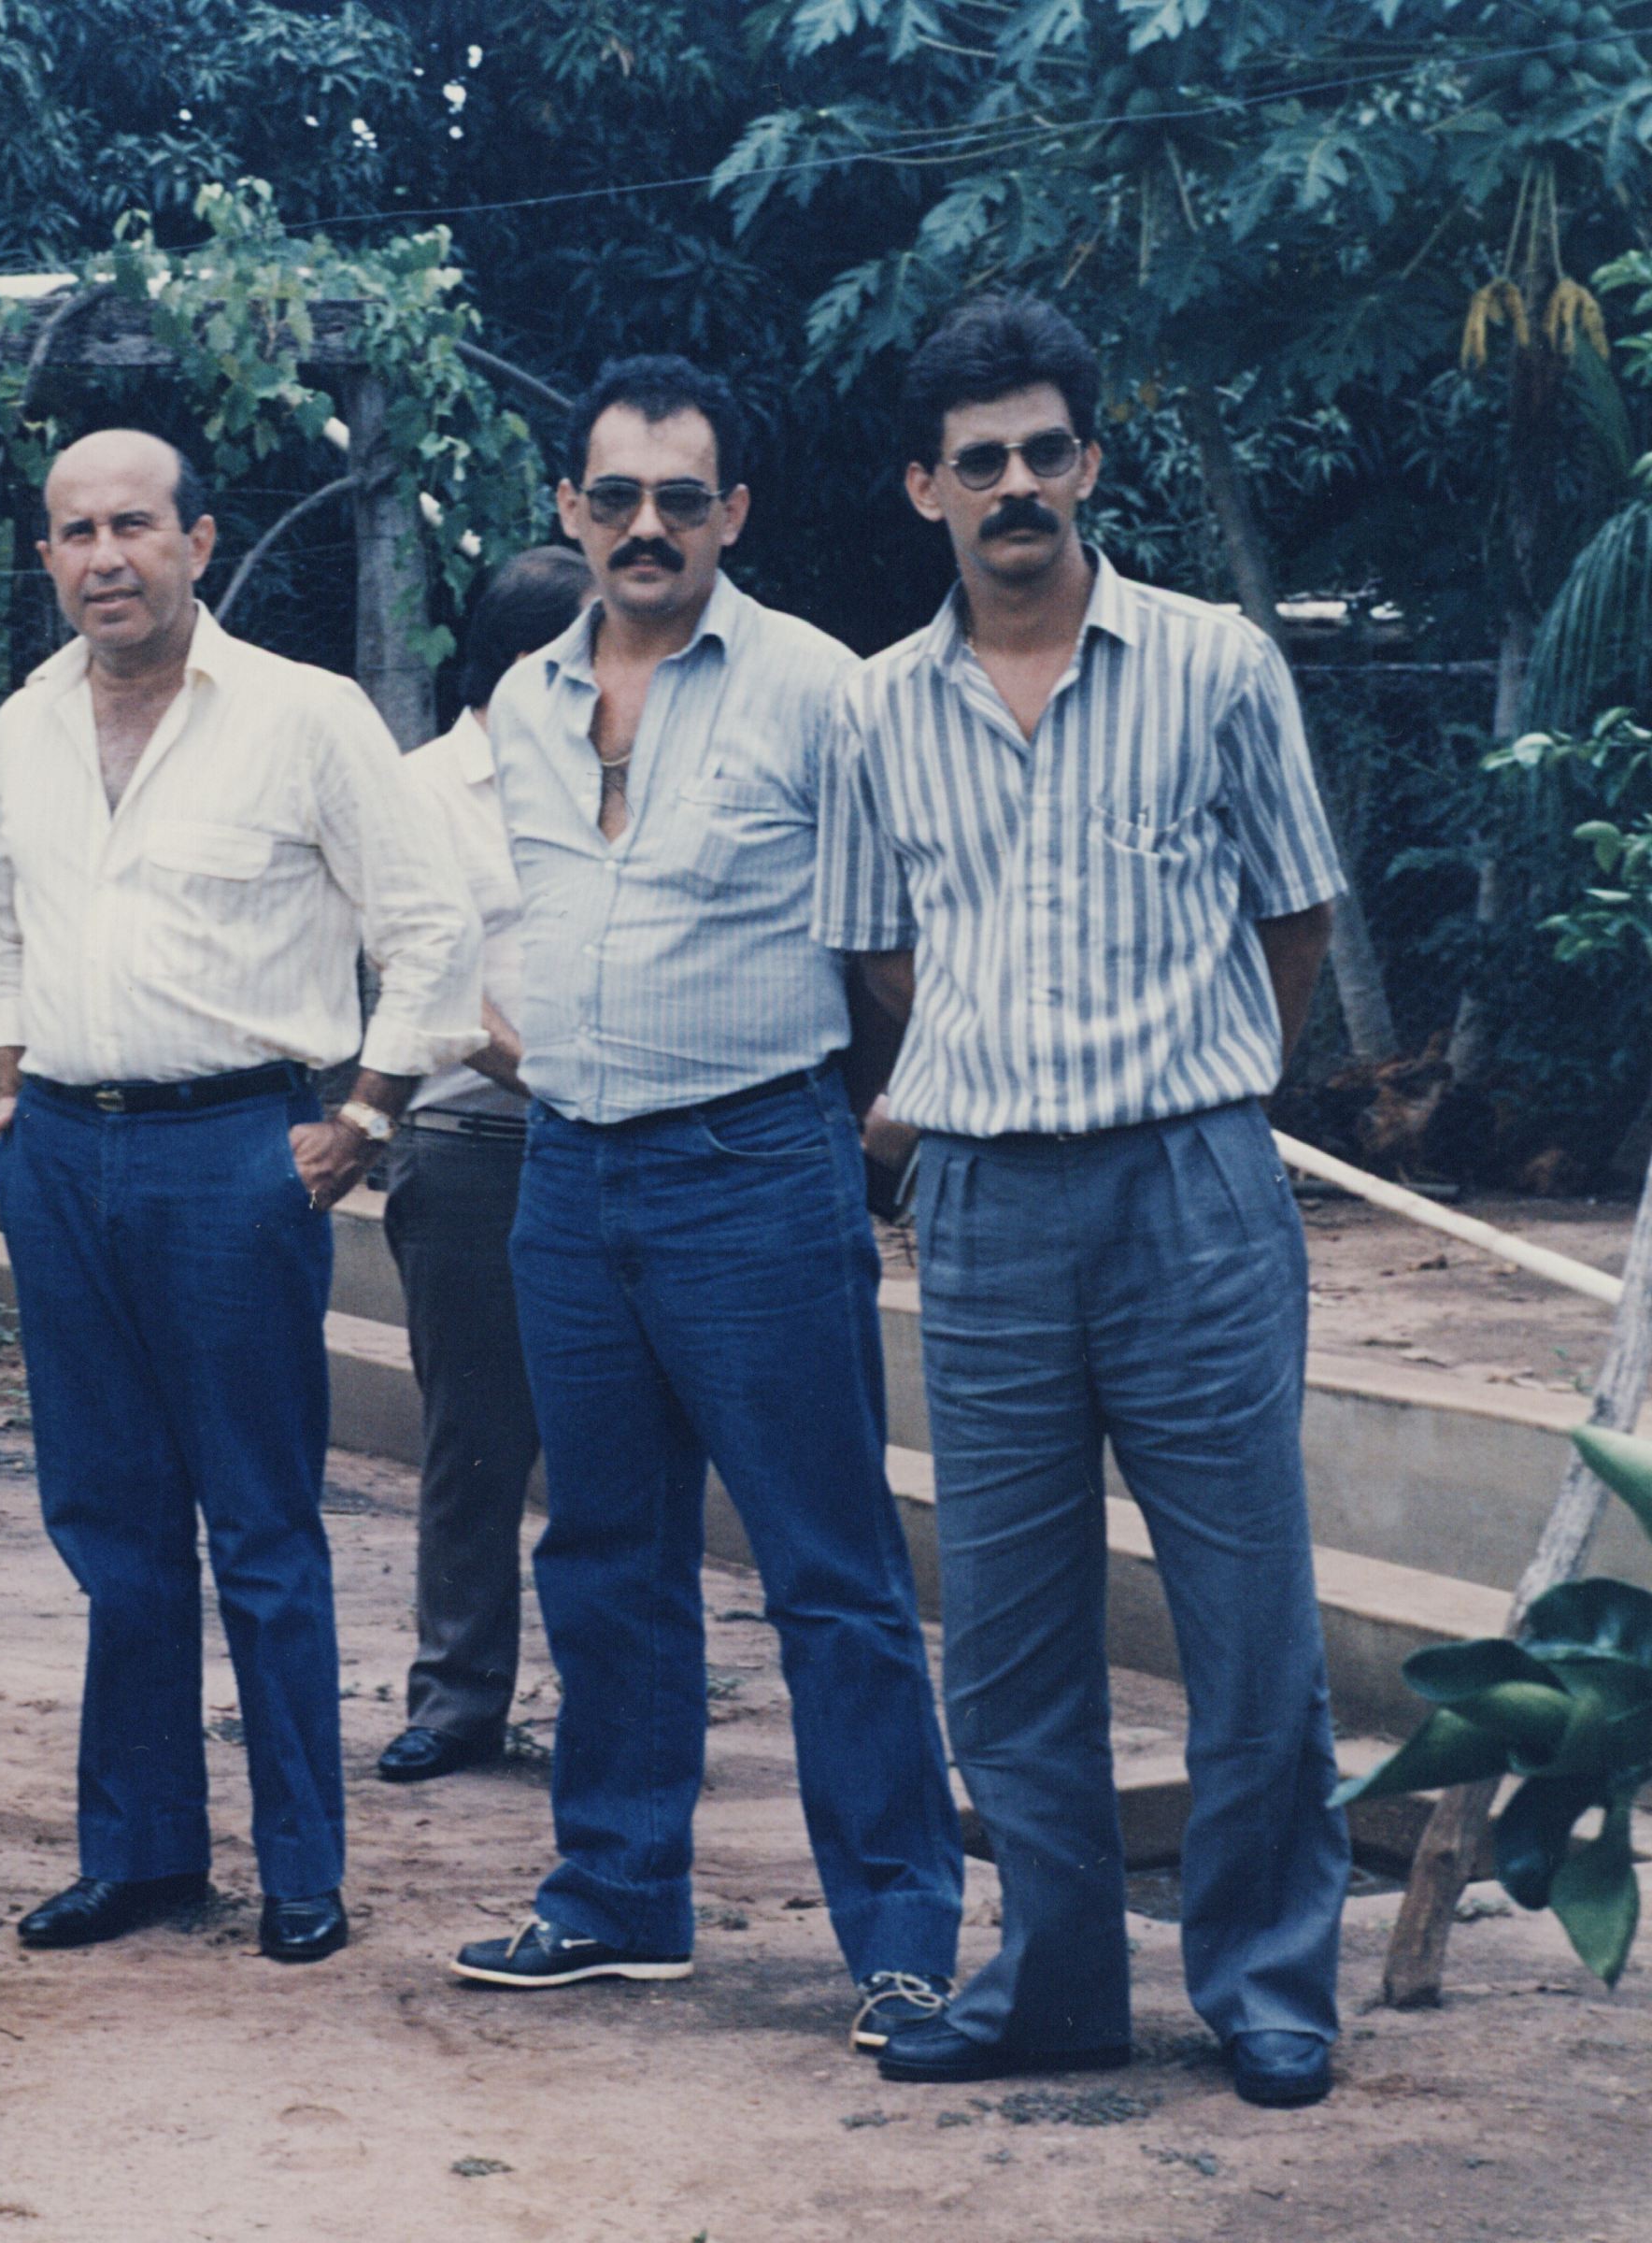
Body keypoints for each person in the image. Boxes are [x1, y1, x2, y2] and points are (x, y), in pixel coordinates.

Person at [818, 294, 1350, 2109]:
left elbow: (1294, 916)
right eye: (981, 461)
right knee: (1011, 1630)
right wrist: (999, 1073)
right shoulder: (877, 711)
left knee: (1248, 1617)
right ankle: (1053, 1985)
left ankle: (1268, 1983)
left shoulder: (1216, 665)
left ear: (1093, 462)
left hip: (1192, 1191)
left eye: (1047, 450)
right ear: (926, 488)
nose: (1019, 485)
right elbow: (881, 954)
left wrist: (1204, 1080)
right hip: (982, 1210)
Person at [446, 357, 966, 2055]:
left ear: (734, 511)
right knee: (603, 1555)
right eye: (616, 497)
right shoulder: (524, 702)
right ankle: (617, 1895)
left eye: (683, 497)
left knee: (830, 1571)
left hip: (756, 1174)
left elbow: (908, 933)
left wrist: (883, 1133)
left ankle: (901, 1941)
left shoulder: (821, 689)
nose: (647, 526)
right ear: (570, 509)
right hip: (570, 1173)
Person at [0, 428, 480, 1964]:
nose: (104, 557)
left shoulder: (304, 716)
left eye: (134, 525)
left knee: (260, 1526)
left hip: (235, 1158)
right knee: (109, 1524)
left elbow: (432, 929)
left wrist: (366, 1115)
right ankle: (140, 1857)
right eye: (75, 533)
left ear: (198, 541)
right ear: (46, 558)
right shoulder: (26, 722)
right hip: (63, 1155)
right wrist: (5, 1078)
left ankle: (301, 1868)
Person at [374, 546, 591, 1786]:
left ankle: (619, 1701)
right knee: (475, 1443)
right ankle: (459, 1700)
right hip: (475, 1154)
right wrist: (567, 1086)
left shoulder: (622, 774)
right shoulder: (419, 795)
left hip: (624, 1148)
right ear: (520, 662)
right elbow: (437, 988)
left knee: (618, 1442)